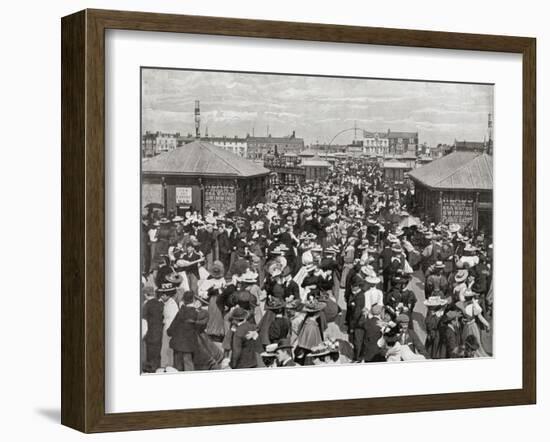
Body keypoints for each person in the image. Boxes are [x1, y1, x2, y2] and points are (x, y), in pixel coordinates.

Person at [167, 291, 200, 371]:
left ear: (184, 300)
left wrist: (169, 332)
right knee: (188, 363)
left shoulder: (181, 311)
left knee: (177, 365)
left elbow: (172, 326)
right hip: (189, 344)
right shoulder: (196, 313)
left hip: (177, 342)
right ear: (193, 300)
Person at [141, 286, 164, 372]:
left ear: (146, 294)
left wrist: (143, 335)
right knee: (157, 353)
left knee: (150, 353)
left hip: (150, 332)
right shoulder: (160, 304)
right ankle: (157, 369)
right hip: (159, 331)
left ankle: (150, 370)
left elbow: (144, 321)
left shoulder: (147, 305)